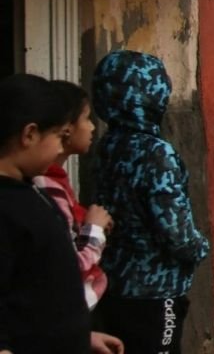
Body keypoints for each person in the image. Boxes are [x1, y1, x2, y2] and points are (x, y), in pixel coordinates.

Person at [95, 50, 211, 354]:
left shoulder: (107, 145)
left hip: (111, 282)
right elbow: (176, 232)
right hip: (155, 291)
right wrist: (200, 248)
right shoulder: (156, 154)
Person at [0, 73, 124, 354]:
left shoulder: (31, 189)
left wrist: (81, 336)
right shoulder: (7, 206)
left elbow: (40, 289)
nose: (60, 147)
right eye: (58, 136)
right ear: (29, 134)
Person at [33, 81, 110, 310]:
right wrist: (94, 229)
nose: (92, 127)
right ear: (66, 128)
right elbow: (71, 266)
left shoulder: (56, 181)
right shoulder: (45, 188)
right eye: (86, 119)